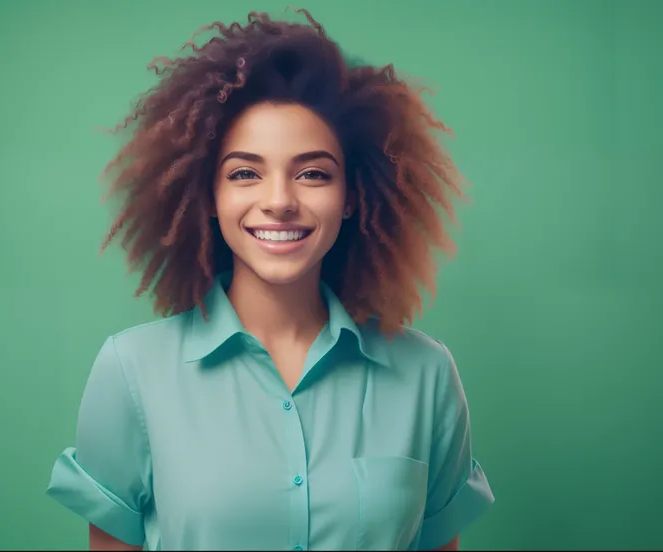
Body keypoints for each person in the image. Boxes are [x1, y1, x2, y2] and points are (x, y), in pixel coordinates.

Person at [46, 8, 494, 551]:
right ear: (208, 195)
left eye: (313, 173)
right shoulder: (132, 372)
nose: (279, 201)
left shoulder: (426, 375)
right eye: (244, 173)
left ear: (352, 196)